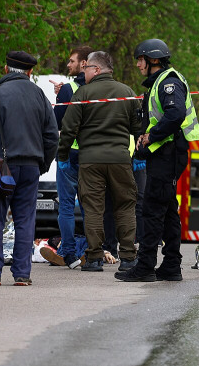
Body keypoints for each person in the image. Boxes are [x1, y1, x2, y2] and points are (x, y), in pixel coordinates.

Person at [0, 51, 58, 286]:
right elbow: (52, 136)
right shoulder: (40, 95)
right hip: (31, 165)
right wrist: (42, 164)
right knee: (25, 220)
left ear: (6, 69)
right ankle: (22, 273)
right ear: (30, 72)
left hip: (0, 167)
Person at [116, 39, 199, 282]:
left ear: (153, 60)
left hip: (167, 153)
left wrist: (151, 136)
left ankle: (145, 267)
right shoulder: (161, 82)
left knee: (152, 210)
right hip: (167, 152)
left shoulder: (168, 82)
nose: (138, 65)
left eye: (140, 60)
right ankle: (171, 265)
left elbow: (175, 114)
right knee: (168, 210)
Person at [58, 51, 141, 272]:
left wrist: (62, 156)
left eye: (86, 68)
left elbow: (68, 129)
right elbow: (138, 129)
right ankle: (128, 257)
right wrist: (139, 156)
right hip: (120, 160)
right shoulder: (127, 93)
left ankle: (94, 258)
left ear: (96, 69)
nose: (83, 72)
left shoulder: (83, 94)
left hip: (90, 161)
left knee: (93, 208)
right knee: (125, 206)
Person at [52, 45, 92, 269]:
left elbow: (56, 122)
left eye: (72, 61)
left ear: (84, 63)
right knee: (90, 207)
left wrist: (60, 96)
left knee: (66, 206)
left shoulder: (69, 89)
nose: (68, 65)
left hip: (69, 153)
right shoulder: (100, 89)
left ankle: (68, 252)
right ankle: (92, 251)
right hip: (92, 154)